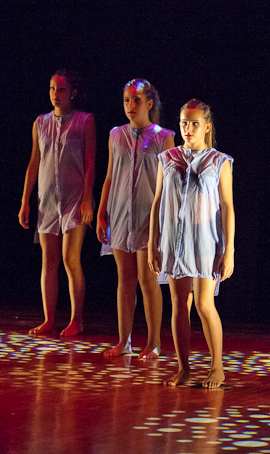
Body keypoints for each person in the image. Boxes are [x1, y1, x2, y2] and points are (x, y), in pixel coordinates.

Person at [149, 99, 234, 389]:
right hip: (174, 241)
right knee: (178, 304)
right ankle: (183, 369)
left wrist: (229, 250)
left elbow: (227, 207)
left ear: (207, 126)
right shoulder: (168, 158)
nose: (188, 128)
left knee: (204, 303)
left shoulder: (219, 161)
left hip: (206, 241)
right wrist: (153, 244)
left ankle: (217, 367)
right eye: (184, 122)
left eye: (195, 123)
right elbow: (157, 202)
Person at [98, 79, 174, 358]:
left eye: (137, 100)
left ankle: (154, 342)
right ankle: (124, 341)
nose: (131, 105)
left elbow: (168, 183)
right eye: (127, 100)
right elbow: (109, 176)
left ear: (149, 103)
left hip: (148, 218)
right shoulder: (115, 134)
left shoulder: (163, 137)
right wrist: (102, 212)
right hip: (120, 214)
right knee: (125, 278)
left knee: (147, 279)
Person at [18, 69, 96, 336]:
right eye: (52, 88)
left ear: (73, 93)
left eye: (61, 89)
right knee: (48, 260)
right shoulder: (40, 122)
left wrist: (87, 200)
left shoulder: (84, 121)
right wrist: (25, 200)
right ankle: (48, 319)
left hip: (74, 198)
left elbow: (90, 163)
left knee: (70, 258)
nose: (55, 94)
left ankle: (76, 319)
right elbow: (34, 161)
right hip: (48, 199)